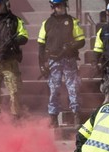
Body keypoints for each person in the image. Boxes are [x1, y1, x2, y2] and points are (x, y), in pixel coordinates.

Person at [37, 0, 86, 128]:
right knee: (54, 89)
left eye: (62, 5)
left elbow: (81, 41)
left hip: (69, 60)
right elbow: (41, 45)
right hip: (53, 61)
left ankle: (76, 115)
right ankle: (53, 117)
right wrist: (41, 64)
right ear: (53, 7)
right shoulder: (46, 23)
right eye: (57, 6)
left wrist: (71, 46)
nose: (60, 8)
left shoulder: (72, 21)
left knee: (73, 88)